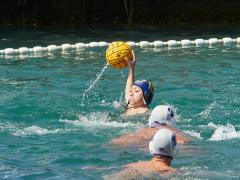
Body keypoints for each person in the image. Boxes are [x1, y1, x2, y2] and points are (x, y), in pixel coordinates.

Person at [104, 129, 177, 179]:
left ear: (152, 146)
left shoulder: (135, 165)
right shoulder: (171, 172)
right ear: (173, 150)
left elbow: (104, 170)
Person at [110, 105, 190, 147]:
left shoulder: (143, 132)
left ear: (151, 118)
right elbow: (184, 144)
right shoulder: (178, 134)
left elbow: (114, 143)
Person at [124, 49, 154, 116]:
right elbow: (128, 89)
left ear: (145, 96)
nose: (131, 93)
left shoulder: (146, 113)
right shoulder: (130, 106)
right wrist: (131, 68)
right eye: (131, 91)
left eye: (136, 91)